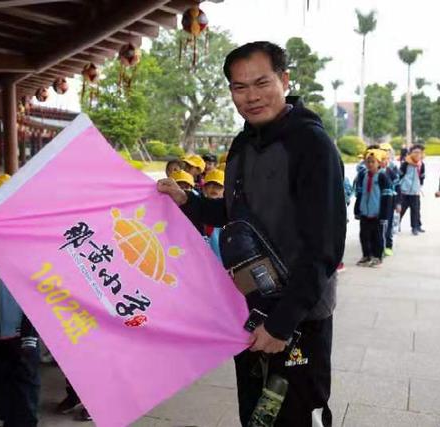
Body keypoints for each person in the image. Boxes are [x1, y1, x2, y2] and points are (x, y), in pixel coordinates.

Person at [157, 41, 345, 427]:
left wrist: (283, 323)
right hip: (249, 308)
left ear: (285, 79)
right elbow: (234, 213)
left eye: (262, 82)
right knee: (256, 415)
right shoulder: (243, 144)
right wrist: (187, 201)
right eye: (240, 87)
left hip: (298, 316)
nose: (252, 96)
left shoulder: (312, 145)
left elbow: (324, 246)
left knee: (289, 414)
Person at [0, 175, 41, 427]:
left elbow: (38, 295)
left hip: (23, 335)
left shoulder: (29, 245)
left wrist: (29, 335)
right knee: (4, 391)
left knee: (25, 390)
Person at [354, 150, 392, 267]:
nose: (370, 164)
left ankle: (377, 257)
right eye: (368, 161)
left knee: (377, 236)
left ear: (379, 163)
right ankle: (366, 255)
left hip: (377, 213)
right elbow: (360, 193)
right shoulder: (363, 175)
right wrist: (357, 209)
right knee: (364, 235)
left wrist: (384, 215)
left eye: (373, 162)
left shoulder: (382, 176)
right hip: (365, 212)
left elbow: (387, 196)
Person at [398, 144, 425, 235]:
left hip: (415, 192)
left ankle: (415, 227)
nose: (417, 154)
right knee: (401, 209)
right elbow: (399, 175)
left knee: (415, 210)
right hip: (404, 191)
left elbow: (422, 177)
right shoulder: (405, 163)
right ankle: (396, 225)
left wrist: (419, 186)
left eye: (419, 152)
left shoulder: (421, 164)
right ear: (410, 153)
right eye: (415, 152)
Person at [379, 143, 399, 256]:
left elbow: (397, 187)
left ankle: (388, 246)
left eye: (387, 152)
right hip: (377, 204)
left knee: (389, 225)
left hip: (390, 203)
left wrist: (398, 203)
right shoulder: (373, 172)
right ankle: (379, 246)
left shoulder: (392, 170)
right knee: (379, 227)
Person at [201, 169, 225, 259]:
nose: (213, 188)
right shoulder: (198, 209)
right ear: (204, 189)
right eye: (209, 185)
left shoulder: (229, 214)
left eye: (218, 186)